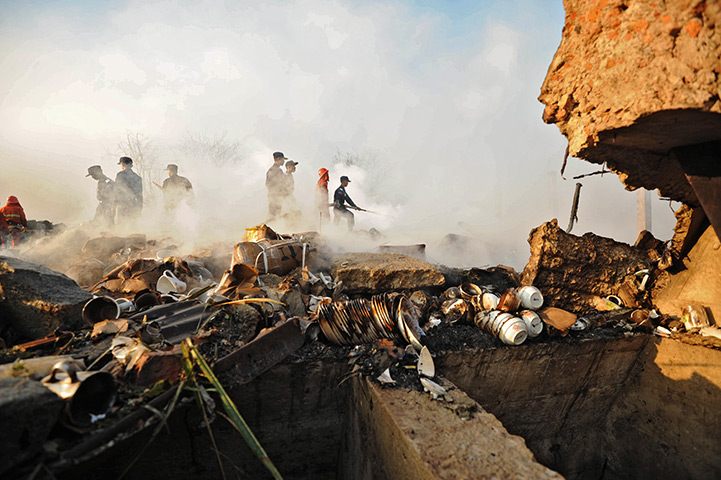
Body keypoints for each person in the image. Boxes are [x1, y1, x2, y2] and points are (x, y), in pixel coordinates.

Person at [114, 157, 143, 223]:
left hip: (123, 204)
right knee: (132, 225)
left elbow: (117, 190)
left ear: (123, 164)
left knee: (122, 226)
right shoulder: (137, 177)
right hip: (134, 204)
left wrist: (114, 204)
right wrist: (140, 207)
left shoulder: (120, 175)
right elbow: (139, 194)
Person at [265, 151, 287, 220]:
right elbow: (269, 184)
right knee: (273, 216)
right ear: (278, 159)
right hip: (275, 197)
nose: (283, 161)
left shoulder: (277, 170)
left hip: (277, 197)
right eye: (282, 159)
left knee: (276, 215)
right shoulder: (273, 170)